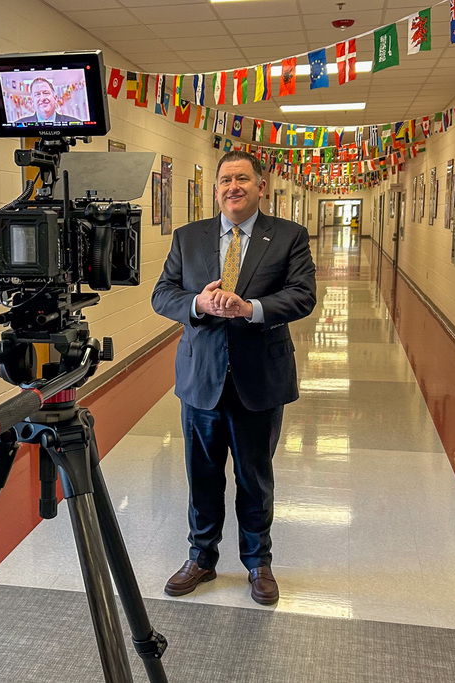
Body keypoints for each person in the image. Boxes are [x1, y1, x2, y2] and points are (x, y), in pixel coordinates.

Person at [151, 150, 316, 605]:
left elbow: (303, 296)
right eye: (225, 179)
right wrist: (198, 305)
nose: (232, 187)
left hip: (258, 377)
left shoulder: (288, 236)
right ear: (216, 188)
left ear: (261, 186)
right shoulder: (189, 238)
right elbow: (162, 294)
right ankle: (200, 558)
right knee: (201, 475)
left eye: (242, 178)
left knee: (254, 477)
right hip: (201, 378)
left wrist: (250, 308)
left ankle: (258, 562)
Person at [14, 76, 80, 124]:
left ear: (55, 98)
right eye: (37, 94)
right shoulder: (19, 125)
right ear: (32, 102)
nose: (42, 98)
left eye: (46, 93)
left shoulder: (75, 123)